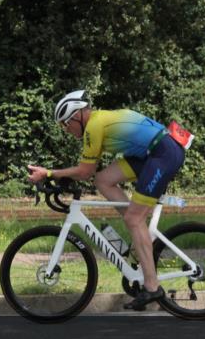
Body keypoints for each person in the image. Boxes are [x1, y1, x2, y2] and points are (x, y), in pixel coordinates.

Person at [26, 90, 186, 310]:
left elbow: (84, 171)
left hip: (162, 153)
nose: (66, 130)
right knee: (103, 180)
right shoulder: (98, 120)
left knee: (133, 219)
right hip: (153, 152)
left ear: (76, 116)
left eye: (65, 124)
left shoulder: (93, 126)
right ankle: (138, 230)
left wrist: (50, 173)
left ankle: (152, 287)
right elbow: (92, 174)